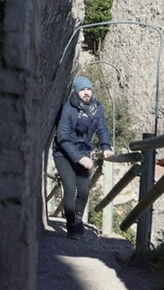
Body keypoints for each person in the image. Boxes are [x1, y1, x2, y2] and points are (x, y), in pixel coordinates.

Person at [52, 76, 114, 238]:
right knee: (70, 189)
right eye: (82, 90)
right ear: (76, 91)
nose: (86, 93)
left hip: (84, 153)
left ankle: (78, 220)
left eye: (88, 89)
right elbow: (62, 137)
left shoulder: (96, 108)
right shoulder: (68, 108)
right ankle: (71, 225)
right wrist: (79, 158)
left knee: (84, 190)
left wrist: (106, 146)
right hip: (64, 154)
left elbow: (102, 128)